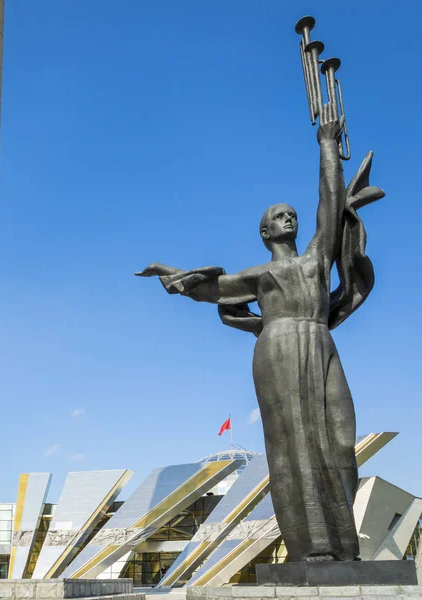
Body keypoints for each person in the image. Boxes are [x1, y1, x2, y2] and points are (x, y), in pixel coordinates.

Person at [136, 104, 384, 562]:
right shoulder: (258, 275)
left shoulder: (314, 261)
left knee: (340, 438)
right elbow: (210, 288)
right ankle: (313, 548)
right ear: (264, 231)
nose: (289, 217)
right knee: (294, 441)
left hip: (320, 341)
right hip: (280, 346)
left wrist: (328, 146)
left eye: (292, 213)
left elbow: (330, 209)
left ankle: (344, 543)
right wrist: (174, 274)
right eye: (279, 215)